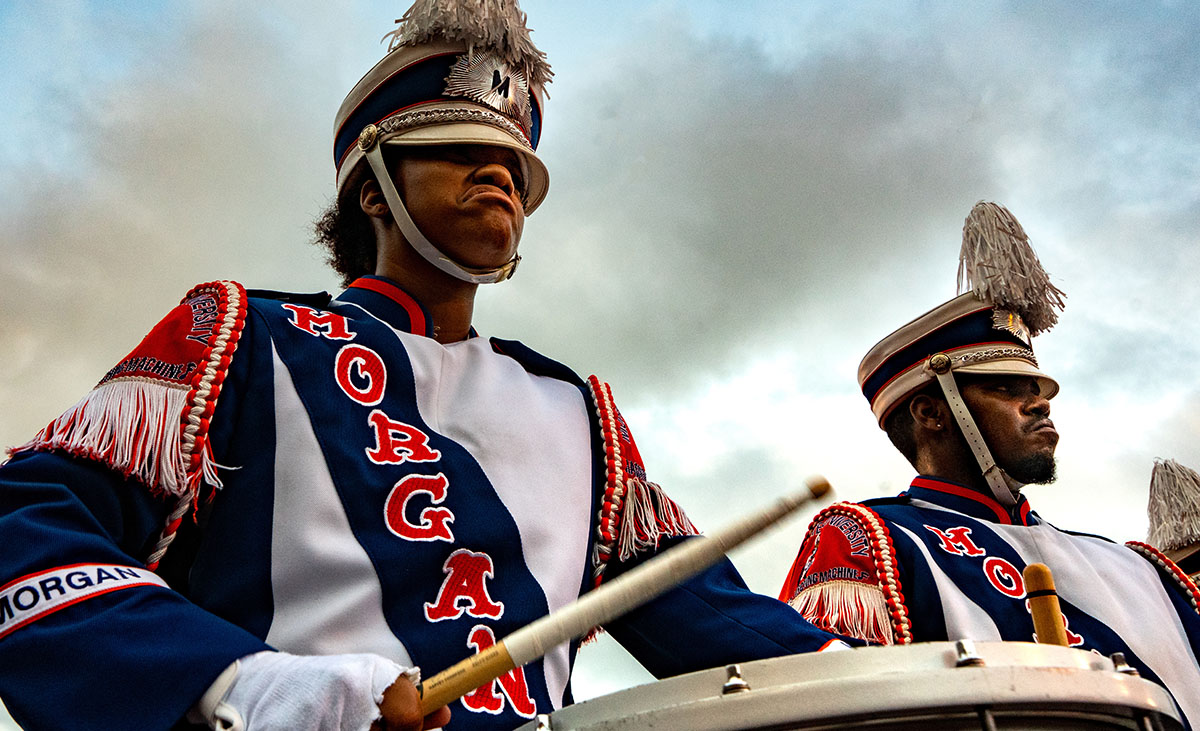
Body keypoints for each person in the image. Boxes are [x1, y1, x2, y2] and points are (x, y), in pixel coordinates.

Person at [0, 2, 842, 730]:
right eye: (461, 147)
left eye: (516, 163)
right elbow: (22, 530)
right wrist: (247, 686)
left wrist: (945, 672)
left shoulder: (580, 415)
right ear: (373, 190)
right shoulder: (241, 336)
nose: (501, 172)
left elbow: (732, 630)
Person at [778, 201, 1200, 726]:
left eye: (1037, 389)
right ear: (931, 412)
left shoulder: (1139, 569)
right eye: (1006, 388)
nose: (1040, 402)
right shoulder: (871, 538)